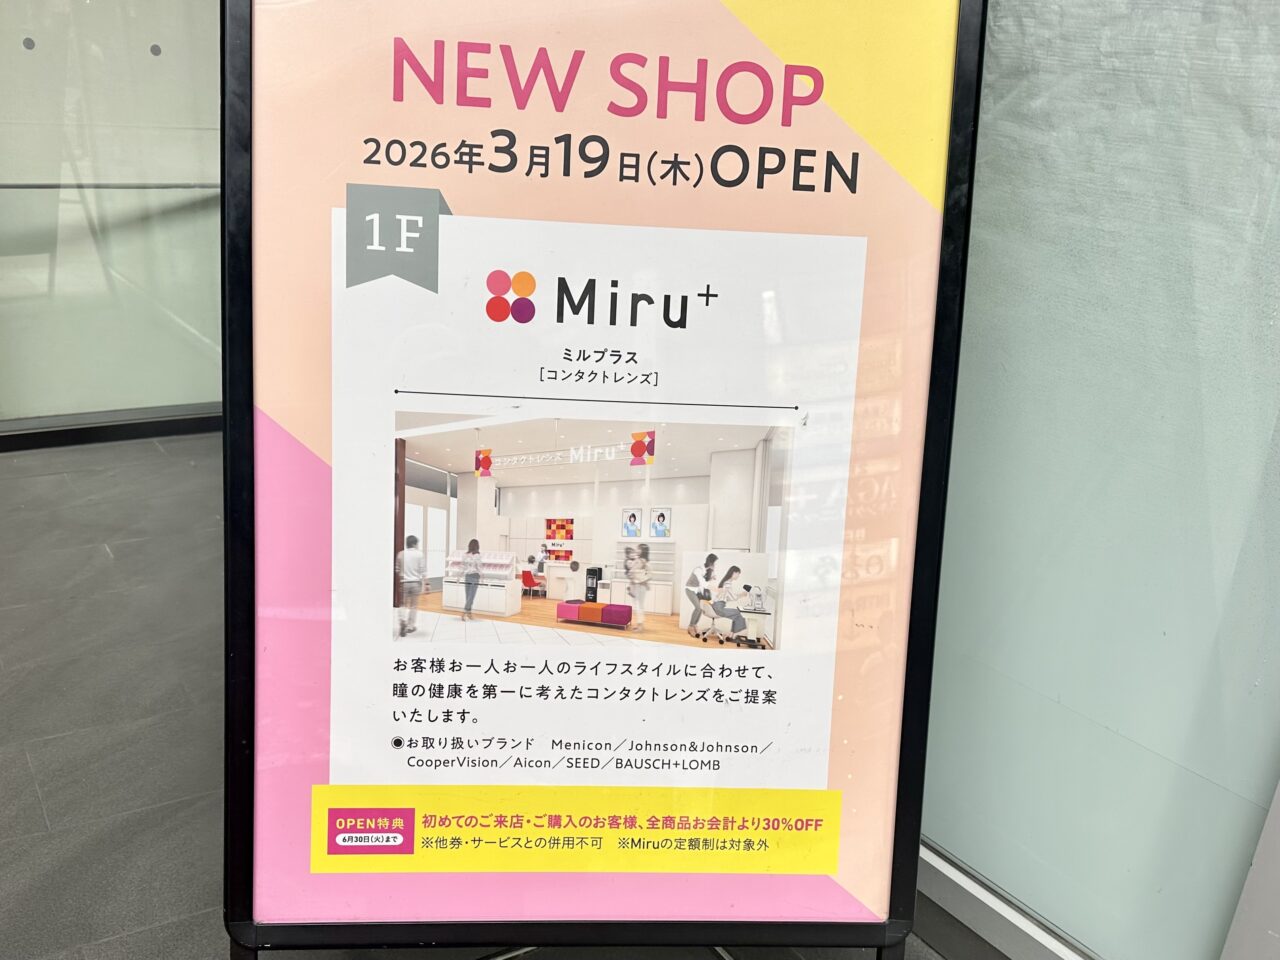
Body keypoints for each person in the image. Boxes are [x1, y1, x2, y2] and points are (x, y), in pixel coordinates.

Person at [396, 535, 426, 637]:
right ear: (414, 544)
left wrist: (402, 576)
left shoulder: (401, 554)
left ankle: (402, 621)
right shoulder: (419, 554)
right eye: (417, 543)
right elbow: (423, 571)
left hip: (404, 583)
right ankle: (410, 626)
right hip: (415, 583)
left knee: (403, 604)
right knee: (413, 606)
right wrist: (426, 583)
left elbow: (397, 569)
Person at [685, 553, 718, 637]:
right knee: (698, 608)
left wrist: (711, 578)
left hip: (697, 591)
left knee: (701, 608)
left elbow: (704, 582)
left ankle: (695, 625)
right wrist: (715, 589)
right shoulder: (698, 570)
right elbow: (703, 583)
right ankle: (690, 627)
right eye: (714, 563)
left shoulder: (707, 570)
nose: (715, 565)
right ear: (711, 562)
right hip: (690, 589)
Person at [713, 565, 749, 636]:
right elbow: (733, 597)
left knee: (736, 615)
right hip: (718, 608)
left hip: (716, 606)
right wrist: (742, 594)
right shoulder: (727, 584)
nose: (738, 576)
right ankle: (734, 634)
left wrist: (740, 595)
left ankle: (732, 634)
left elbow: (727, 598)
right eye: (738, 574)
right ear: (734, 573)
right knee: (738, 613)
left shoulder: (725, 582)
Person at [627, 544, 651, 631]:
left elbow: (633, 572)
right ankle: (640, 624)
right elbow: (633, 572)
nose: (637, 550)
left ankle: (640, 625)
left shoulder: (642, 561)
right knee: (638, 605)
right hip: (638, 585)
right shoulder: (641, 560)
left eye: (639, 549)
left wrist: (640, 580)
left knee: (638, 606)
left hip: (639, 585)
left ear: (642, 551)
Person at [461, 538, 482, 621]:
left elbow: (463, 566)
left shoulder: (465, 555)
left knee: (468, 596)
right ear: (477, 546)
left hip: (467, 576)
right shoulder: (477, 555)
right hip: (475, 576)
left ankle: (469, 613)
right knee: (471, 596)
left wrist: (459, 576)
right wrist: (482, 576)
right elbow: (479, 567)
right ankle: (464, 612)